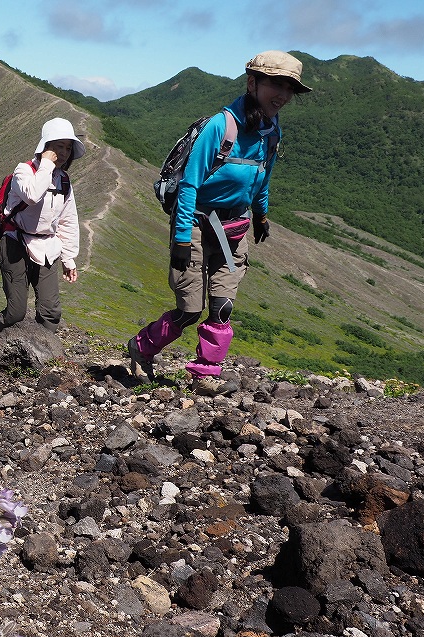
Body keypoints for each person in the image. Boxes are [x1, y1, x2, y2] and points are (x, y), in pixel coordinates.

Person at [127, 50, 311, 396]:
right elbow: (190, 184)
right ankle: (142, 345)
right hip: (196, 224)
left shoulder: (272, 130)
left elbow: (263, 175)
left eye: (290, 89)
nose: (283, 96)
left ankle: (205, 373)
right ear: (253, 83)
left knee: (222, 306)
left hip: (235, 228)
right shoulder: (220, 126)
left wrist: (261, 213)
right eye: (277, 85)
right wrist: (182, 237)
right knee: (190, 308)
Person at [0, 117, 83, 339]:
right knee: (15, 312)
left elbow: (68, 220)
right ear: (46, 146)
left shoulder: (64, 181)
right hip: (16, 242)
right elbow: (32, 194)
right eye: (58, 146)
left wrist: (69, 258)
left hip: (47, 247)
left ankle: (38, 354)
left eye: (68, 148)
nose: (64, 153)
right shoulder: (23, 171)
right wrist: (46, 164)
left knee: (51, 312)